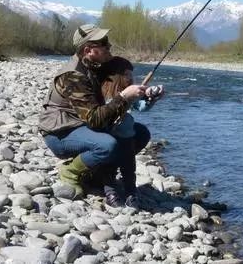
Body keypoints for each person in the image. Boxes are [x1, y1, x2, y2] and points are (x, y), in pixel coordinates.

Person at [39, 24, 163, 208]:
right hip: (61, 133)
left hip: (82, 125)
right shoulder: (73, 76)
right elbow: (95, 119)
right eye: (103, 43)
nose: (109, 46)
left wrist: (147, 97)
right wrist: (123, 96)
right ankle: (70, 172)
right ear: (89, 50)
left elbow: (113, 96)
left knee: (140, 133)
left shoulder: (95, 66)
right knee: (107, 144)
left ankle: (96, 172)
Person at [99, 56, 163, 208]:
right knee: (109, 168)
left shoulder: (128, 93)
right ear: (115, 77)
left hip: (127, 137)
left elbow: (141, 107)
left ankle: (131, 193)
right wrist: (126, 96)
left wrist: (151, 98)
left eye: (131, 75)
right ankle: (110, 192)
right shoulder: (104, 95)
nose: (130, 78)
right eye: (126, 74)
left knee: (129, 168)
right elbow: (107, 108)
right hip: (108, 140)